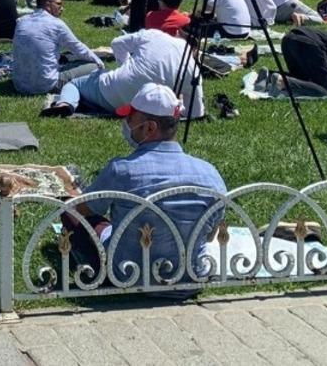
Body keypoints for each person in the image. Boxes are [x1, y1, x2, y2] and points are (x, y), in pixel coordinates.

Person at [58, 84, 226, 292]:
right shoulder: (210, 174)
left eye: (131, 118)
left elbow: (81, 210)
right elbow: (210, 235)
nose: (126, 123)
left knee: (70, 213)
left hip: (128, 277)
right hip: (190, 279)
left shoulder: (122, 170)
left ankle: (92, 272)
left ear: (150, 128)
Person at [51, 28, 206, 119]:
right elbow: (196, 113)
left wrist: (125, 66)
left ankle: (66, 103)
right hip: (147, 110)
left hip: (111, 91)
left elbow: (117, 43)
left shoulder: (154, 34)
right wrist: (178, 104)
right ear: (196, 49)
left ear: (178, 33)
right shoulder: (194, 71)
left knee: (74, 83)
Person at [10, 0, 103, 95]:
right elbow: (78, 48)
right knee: (93, 66)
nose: (62, 8)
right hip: (46, 85)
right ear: (48, 4)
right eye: (59, 4)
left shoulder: (22, 21)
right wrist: (99, 62)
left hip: (19, 84)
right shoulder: (56, 24)